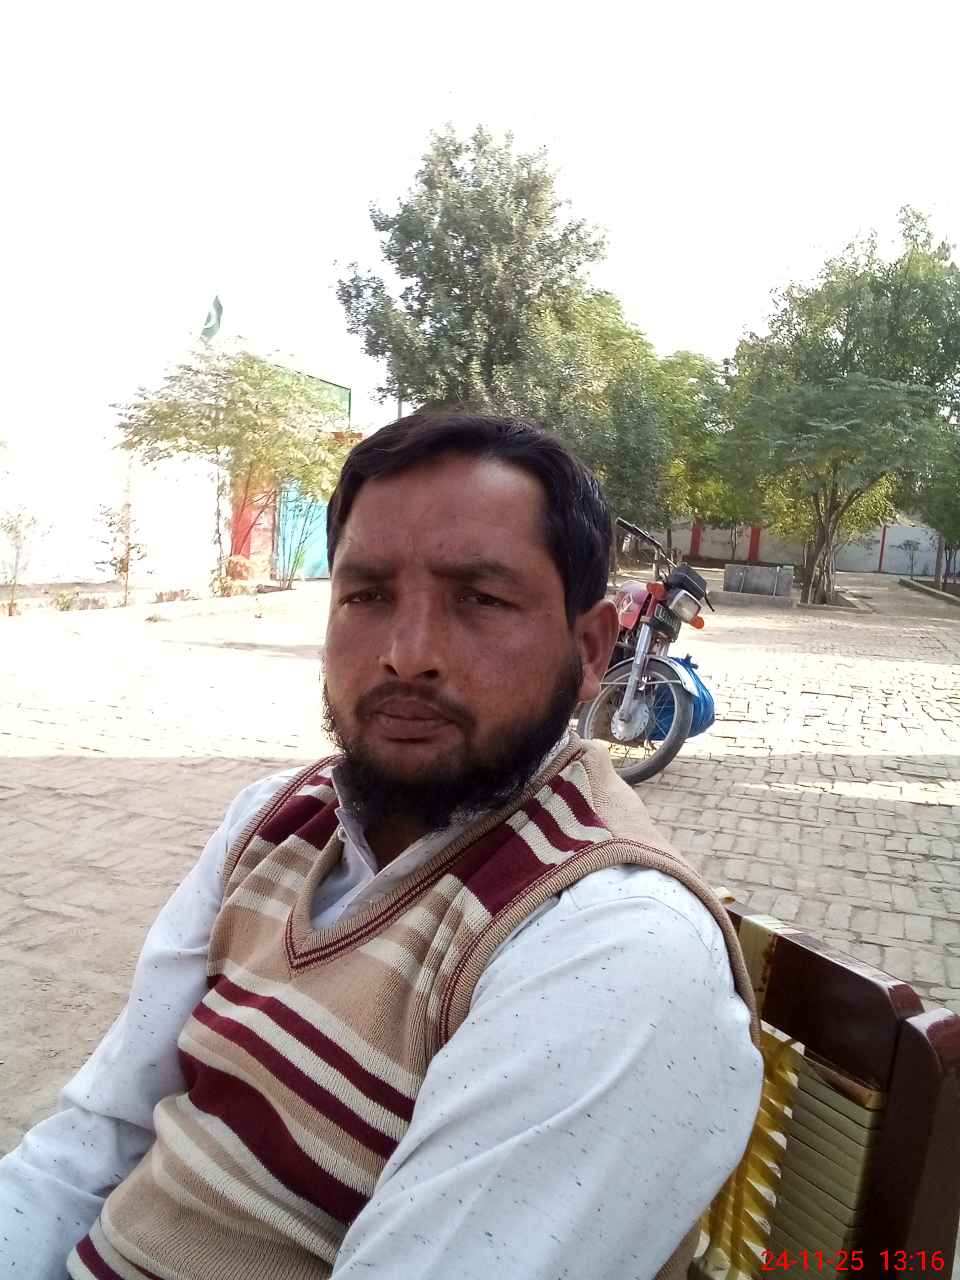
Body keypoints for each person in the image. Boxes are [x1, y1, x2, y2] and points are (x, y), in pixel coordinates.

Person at [0, 412, 762, 1279]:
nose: (407, 655)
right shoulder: (272, 823)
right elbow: (92, 1142)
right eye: (366, 595)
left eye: (480, 599)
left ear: (589, 651)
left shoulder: (610, 948)